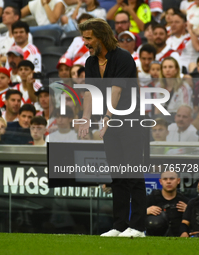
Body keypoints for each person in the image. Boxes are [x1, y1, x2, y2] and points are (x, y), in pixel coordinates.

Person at [78, 18, 146, 237]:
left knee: (133, 174)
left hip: (130, 122)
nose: (85, 42)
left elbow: (116, 90)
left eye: (89, 38)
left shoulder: (123, 58)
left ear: (102, 36)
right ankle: (120, 225)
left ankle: (138, 226)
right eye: (84, 38)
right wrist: (86, 118)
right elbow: (89, 92)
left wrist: (106, 118)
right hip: (109, 125)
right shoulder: (90, 62)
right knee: (117, 175)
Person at [146, 171, 189, 236]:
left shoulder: (185, 201)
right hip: (155, 238)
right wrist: (145, 211)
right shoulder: (151, 199)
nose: (168, 182)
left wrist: (189, 211)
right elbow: (135, 216)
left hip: (179, 238)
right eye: (165, 179)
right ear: (160, 182)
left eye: (172, 179)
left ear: (178, 180)